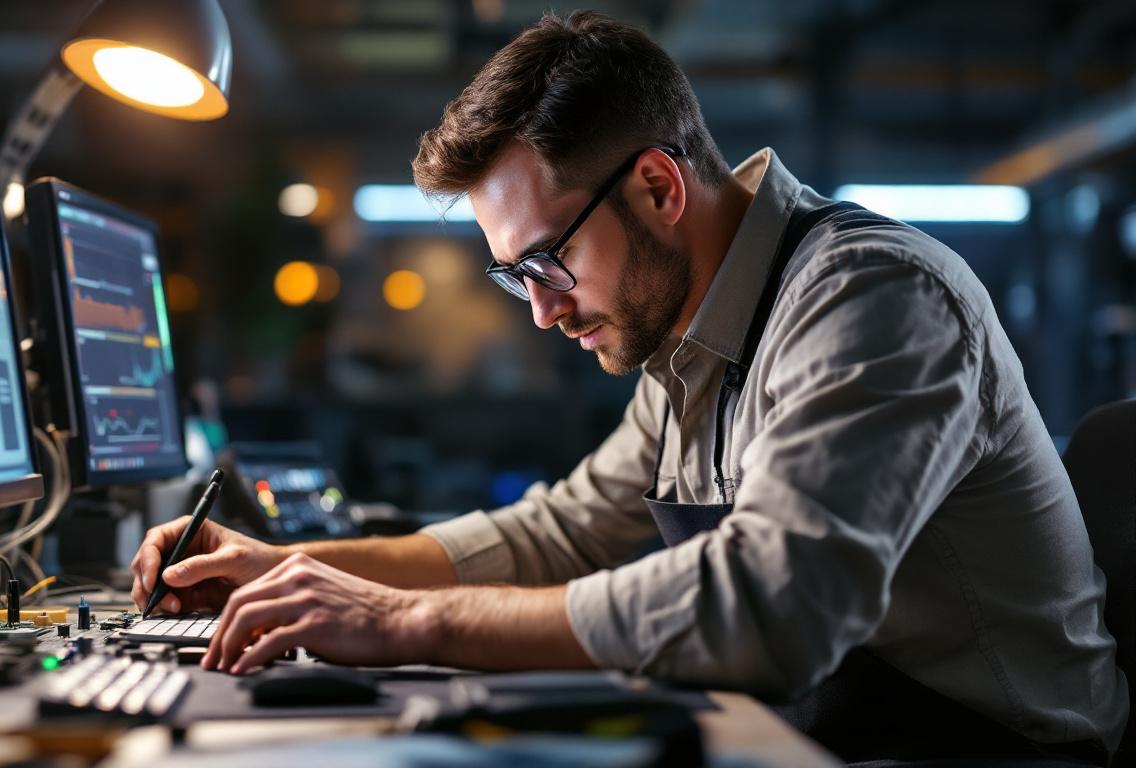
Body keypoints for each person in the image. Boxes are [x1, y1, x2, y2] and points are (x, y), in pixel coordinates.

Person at [131, 11, 1128, 764]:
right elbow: (560, 534)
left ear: (657, 185)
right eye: (514, 276)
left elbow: (769, 608)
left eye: (546, 263)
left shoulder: (872, 302)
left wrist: (400, 621)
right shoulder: (694, 335)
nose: (539, 310)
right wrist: (288, 567)